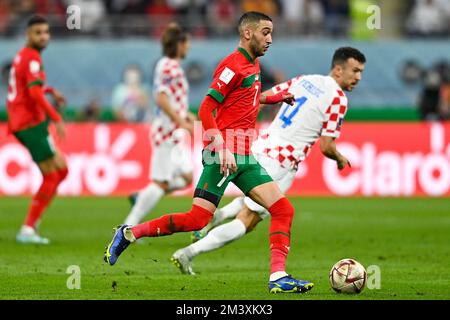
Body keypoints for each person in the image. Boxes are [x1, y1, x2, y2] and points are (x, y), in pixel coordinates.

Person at [104, 11, 313, 294]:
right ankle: (128, 233)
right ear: (247, 33)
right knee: (197, 220)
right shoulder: (232, 65)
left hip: (244, 156)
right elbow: (206, 108)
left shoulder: (253, 66)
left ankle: (278, 277)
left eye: (271, 33)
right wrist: (221, 149)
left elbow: (247, 98)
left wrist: (274, 96)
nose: (270, 39)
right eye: (265, 32)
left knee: (282, 208)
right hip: (222, 155)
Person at [173, 47, 366, 275]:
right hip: (282, 161)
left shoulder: (305, 80)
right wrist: (340, 157)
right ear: (338, 69)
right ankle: (188, 252)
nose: (358, 77)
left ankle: (217, 216)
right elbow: (327, 146)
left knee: (255, 200)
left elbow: (261, 98)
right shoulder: (338, 99)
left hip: (262, 145)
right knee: (249, 219)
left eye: (361, 72)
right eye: (354, 71)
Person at [123, 23, 195, 227]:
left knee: (187, 177)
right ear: (179, 44)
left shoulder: (170, 65)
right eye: (187, 42)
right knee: (161, 182)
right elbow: (161, 98)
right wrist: (181, 121)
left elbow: (172, 100)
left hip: (174, 131)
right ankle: (128, 226)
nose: (189, 46)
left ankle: (143, 195)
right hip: (166, 132)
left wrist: (186, 116)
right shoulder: (169, 67)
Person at [6, 15, 68, 244]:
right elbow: (32, 94)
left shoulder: (23, 56)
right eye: (38, 32)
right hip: (29, 123)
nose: (43, 36)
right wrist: (56, 117)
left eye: (46, 32)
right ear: (28, 35)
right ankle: (28, 228)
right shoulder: (31, 58)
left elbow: (28, 87)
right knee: (53, 173)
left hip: (28, 121)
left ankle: (33, 221)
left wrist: (49, 90)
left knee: (61, 171)